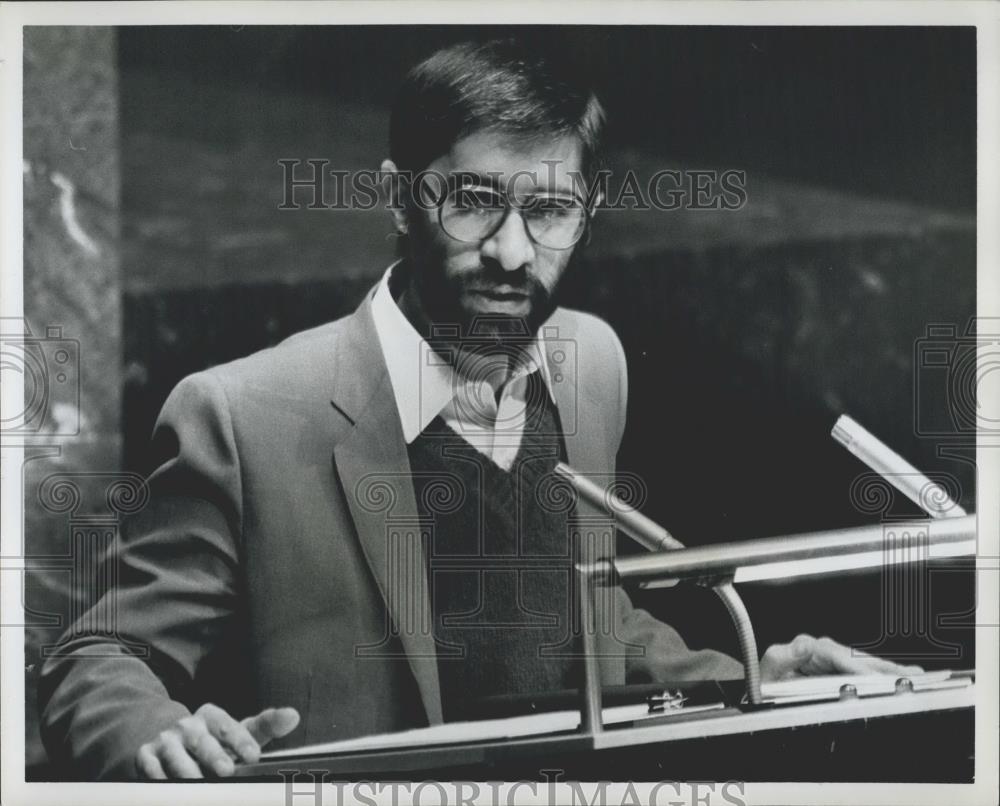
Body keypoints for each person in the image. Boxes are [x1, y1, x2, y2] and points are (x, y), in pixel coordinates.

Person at [38, 38, 919, 781]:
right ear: (399, 199)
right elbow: (98, 657)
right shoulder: (239, 416)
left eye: (550, 211)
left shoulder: (592, 362)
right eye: (474, 203)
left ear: (586, 214)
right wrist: (156, 731)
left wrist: (748, 677)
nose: (512, 252)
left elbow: (583, 623)